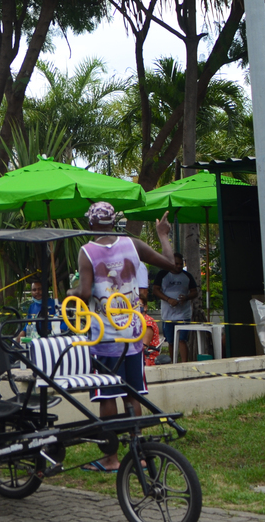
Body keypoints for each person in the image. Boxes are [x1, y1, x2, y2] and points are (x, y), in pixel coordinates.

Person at [68, 202, 175, 472]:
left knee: (106, 397)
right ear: (113, 221)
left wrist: (70, 293)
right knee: (132, 395)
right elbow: (172, 265)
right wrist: (162, 234)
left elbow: (84, 291)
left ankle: (110, 459)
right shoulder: (133, 244)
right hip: (133, 334)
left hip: (104, 337)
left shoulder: (87, 252)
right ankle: (138, 454)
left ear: (91, 224)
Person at [153, 252, 199, 362]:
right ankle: (173, 362)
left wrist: (186, 297)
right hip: (168, 314)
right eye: (176, 263)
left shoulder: (187, 276)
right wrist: (168, 299)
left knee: (182, 339)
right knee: (170, 341)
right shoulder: (162, 274)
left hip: (183, 314)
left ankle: (184, 362)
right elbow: (155, 290)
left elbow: (195, 292)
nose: (179, 266)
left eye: (181, 264)